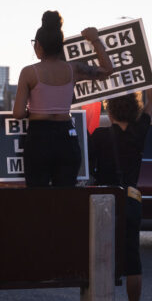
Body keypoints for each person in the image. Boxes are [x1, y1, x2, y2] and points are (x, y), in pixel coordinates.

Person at [80, 88, 152, 301]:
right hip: (131, 200)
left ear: (109, 110)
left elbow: (86, 170)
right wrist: (147, 82)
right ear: (134, 110)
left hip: (102, 201)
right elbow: (151, 101)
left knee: (94, 258)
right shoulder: (139, 132)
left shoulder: (99, 136)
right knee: (133, 261)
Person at [12, 11, 114, 187]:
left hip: (38, 137)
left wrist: (36, 111)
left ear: (38, 45)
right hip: (66, 136)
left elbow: (18, 113)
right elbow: (107, 70)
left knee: (38, 198)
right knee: (65, 197)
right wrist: (95, 40)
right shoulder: (73, 69)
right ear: (60, 47)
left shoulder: (29, 72)